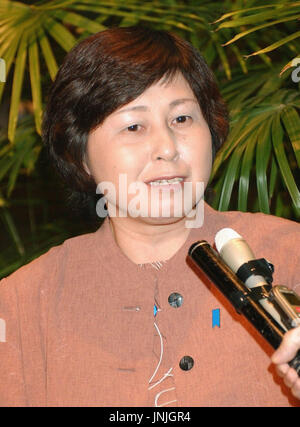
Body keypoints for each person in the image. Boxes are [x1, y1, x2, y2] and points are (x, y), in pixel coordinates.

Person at [0, 25, 299, 407]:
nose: (167, 148)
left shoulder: (290, 255)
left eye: (182, 120)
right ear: (80, 155)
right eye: (134, 126)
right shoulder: (24, 303)